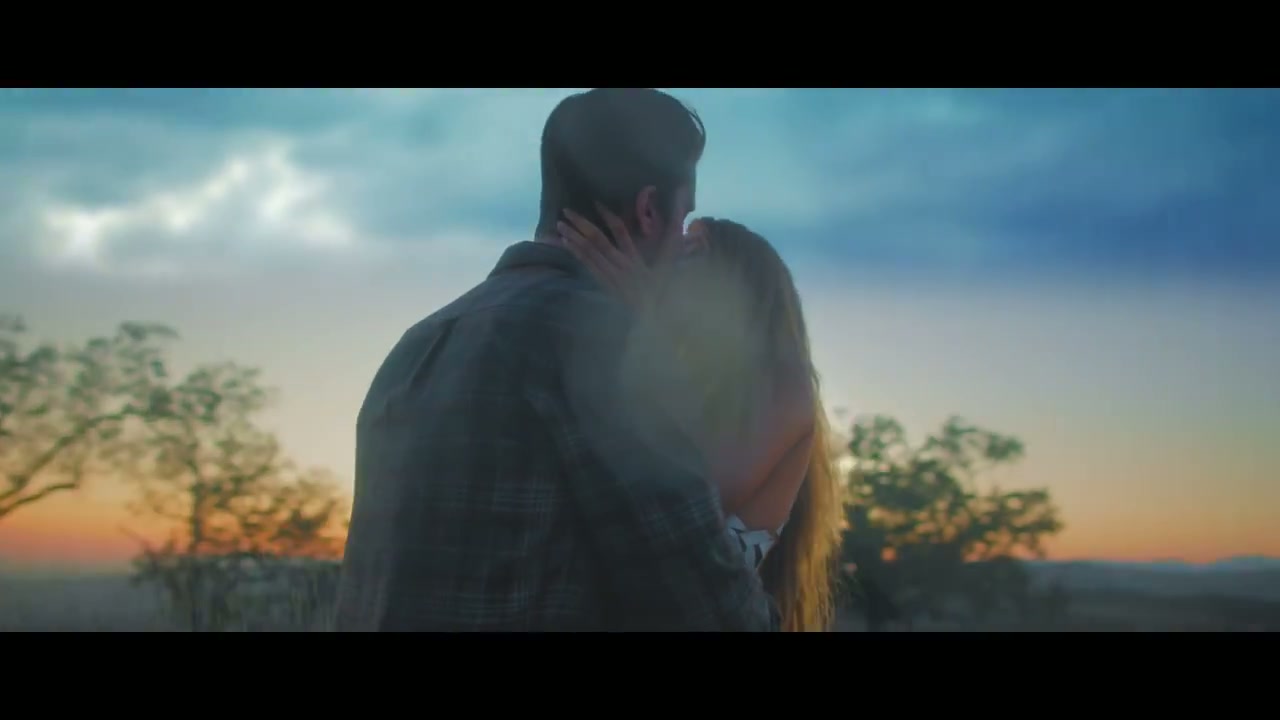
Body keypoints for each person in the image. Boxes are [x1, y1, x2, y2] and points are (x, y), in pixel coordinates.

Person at [333, 88, 778, 631]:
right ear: (648, 210)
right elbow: (715, 613)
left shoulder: (420, 342)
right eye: (682, 215)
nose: (682, 242)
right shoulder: (611, 346)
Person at [557, 211, 844, 632]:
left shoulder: (785, 384)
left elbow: (692, 496)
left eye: (689, 254)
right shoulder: (683, 376)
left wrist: (645, 323)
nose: (665, 267)